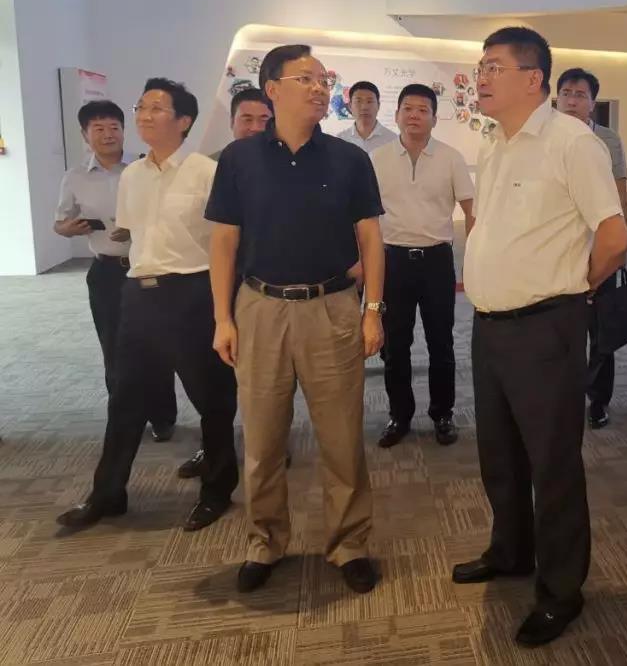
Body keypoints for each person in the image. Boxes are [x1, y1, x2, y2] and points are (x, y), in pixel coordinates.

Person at [452, 27, 627, 647]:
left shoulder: (572, 143)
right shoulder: (494, 143)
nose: (481, 76)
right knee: (499, 454)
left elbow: (614, 237)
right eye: (481, 66)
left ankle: (560, 591)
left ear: (534, 79)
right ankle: (511, 551)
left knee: (552, 464)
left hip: (546, 327)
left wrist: (574, 290)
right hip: (490, 325)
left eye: (493, 67)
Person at [206, 44, 385, 595]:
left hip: (332, 307)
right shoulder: (239, 159)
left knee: (342, 438)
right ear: (272, 89)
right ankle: (265, 541)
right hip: (259, 308)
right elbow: (224, 241)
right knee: (262, 440)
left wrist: (373, 310)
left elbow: (371, 238)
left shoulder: (349, 159)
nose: (319, 88)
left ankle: (349, 544)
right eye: (306, 78)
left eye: (323, 79)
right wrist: (222, 318)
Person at [56, 78, 239, 533]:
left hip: (192, 292)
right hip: (138, 292)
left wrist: (223, 312)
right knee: (125, 397)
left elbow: (226, 243)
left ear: (184, 121)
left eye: (156, 108)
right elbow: (132, 233)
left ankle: (217, 489)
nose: (143, 115)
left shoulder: (205, 172)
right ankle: (107, 494)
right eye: (141, 107)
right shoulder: (133, 175)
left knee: (211, 396)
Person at [54, 100, 178, 443]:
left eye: (114, 127)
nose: (108, 134)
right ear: (85, 135)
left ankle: (162, 416)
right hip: (106, 272)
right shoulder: (75, 177)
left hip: (148, 267)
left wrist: (137, 227)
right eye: (98, 128)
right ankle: (125, 417)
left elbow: (170, 215)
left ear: (125, 131)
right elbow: (60, 222)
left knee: (156, 344)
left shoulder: (145, 168)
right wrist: (69, 229)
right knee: (114, 346)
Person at [180, 88, 278, 480]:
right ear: (231, 122)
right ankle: (214, 445)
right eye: (246, 119)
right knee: (212, 372)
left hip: (263, 283)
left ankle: (270, 443)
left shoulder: (283, 164)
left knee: (268, 373)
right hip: (216, 280)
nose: (254, 128)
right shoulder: (209, 168)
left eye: (263, 120)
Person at [370, 83, 475, 448]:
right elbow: (365, 218)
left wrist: (475, 259)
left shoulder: (451, 157)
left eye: (422, 110)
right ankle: (399, 415)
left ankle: (443, 414)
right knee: (395, 346)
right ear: (397, 114)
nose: (414, 115)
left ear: (434, 117)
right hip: (393, 261)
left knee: (441, 343)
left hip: (436, 261)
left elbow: (471, 211)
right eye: (408, 109)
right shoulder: (378, 159)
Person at [555, 67, 627, 430]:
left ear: (592, 103)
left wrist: (619, 249)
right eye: (566, 93)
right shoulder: (546, 136)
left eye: (580, 95)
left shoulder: (608, 140)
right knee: (560, 331)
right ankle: (564, 397)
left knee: (602, 333)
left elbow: (619, 192)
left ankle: (599, 400)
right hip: (558, 249)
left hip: (600, 245)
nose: (572, 101)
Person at [336, 80, 397, 153]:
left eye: (369, 101)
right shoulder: (340, 140)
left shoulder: (393, 140)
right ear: (350, 106)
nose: (364, 107)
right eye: (358, 101)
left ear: (378, 106)